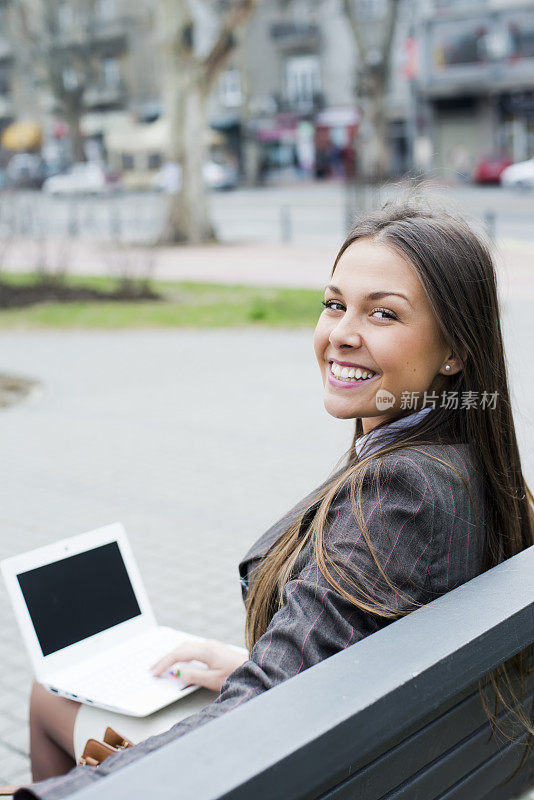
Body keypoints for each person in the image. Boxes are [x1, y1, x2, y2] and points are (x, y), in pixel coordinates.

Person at [16, 199, 534, 799]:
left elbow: (259, 718)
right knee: (60, 689)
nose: (341, 334)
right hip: (375, 755)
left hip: (295, 769)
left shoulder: (403, 494)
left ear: (455, 351)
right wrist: (250, 661)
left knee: (48, 694)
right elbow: (360, 652)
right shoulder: (482, 472)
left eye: (384, 315)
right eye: (335, 304)